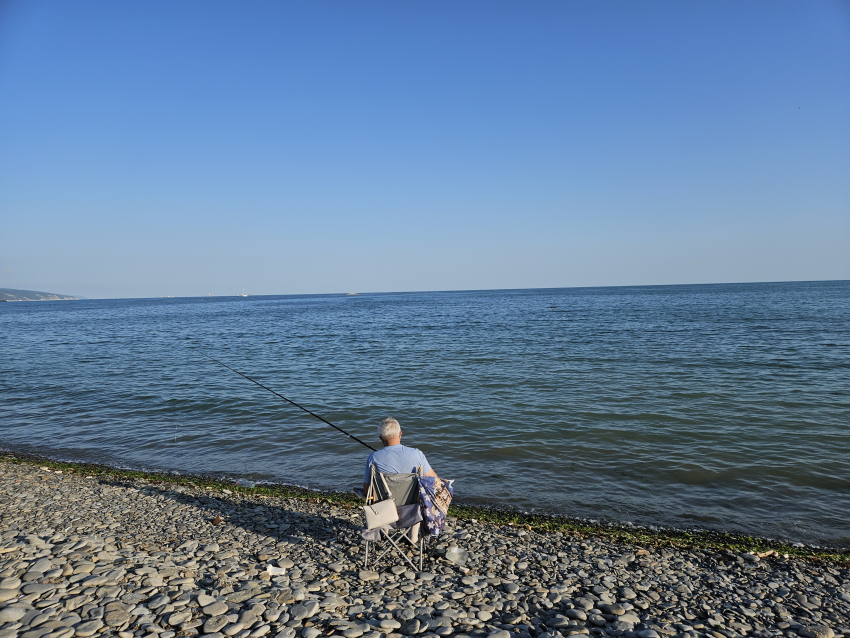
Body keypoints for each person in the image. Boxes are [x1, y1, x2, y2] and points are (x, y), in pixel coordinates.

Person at [362, 417, 437, 497]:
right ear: (400, 434)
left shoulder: (373, 457)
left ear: (380, 438)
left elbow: (367, 492)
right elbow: (435, 481)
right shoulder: (417, 454)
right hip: (413, 506)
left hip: (385, 506)